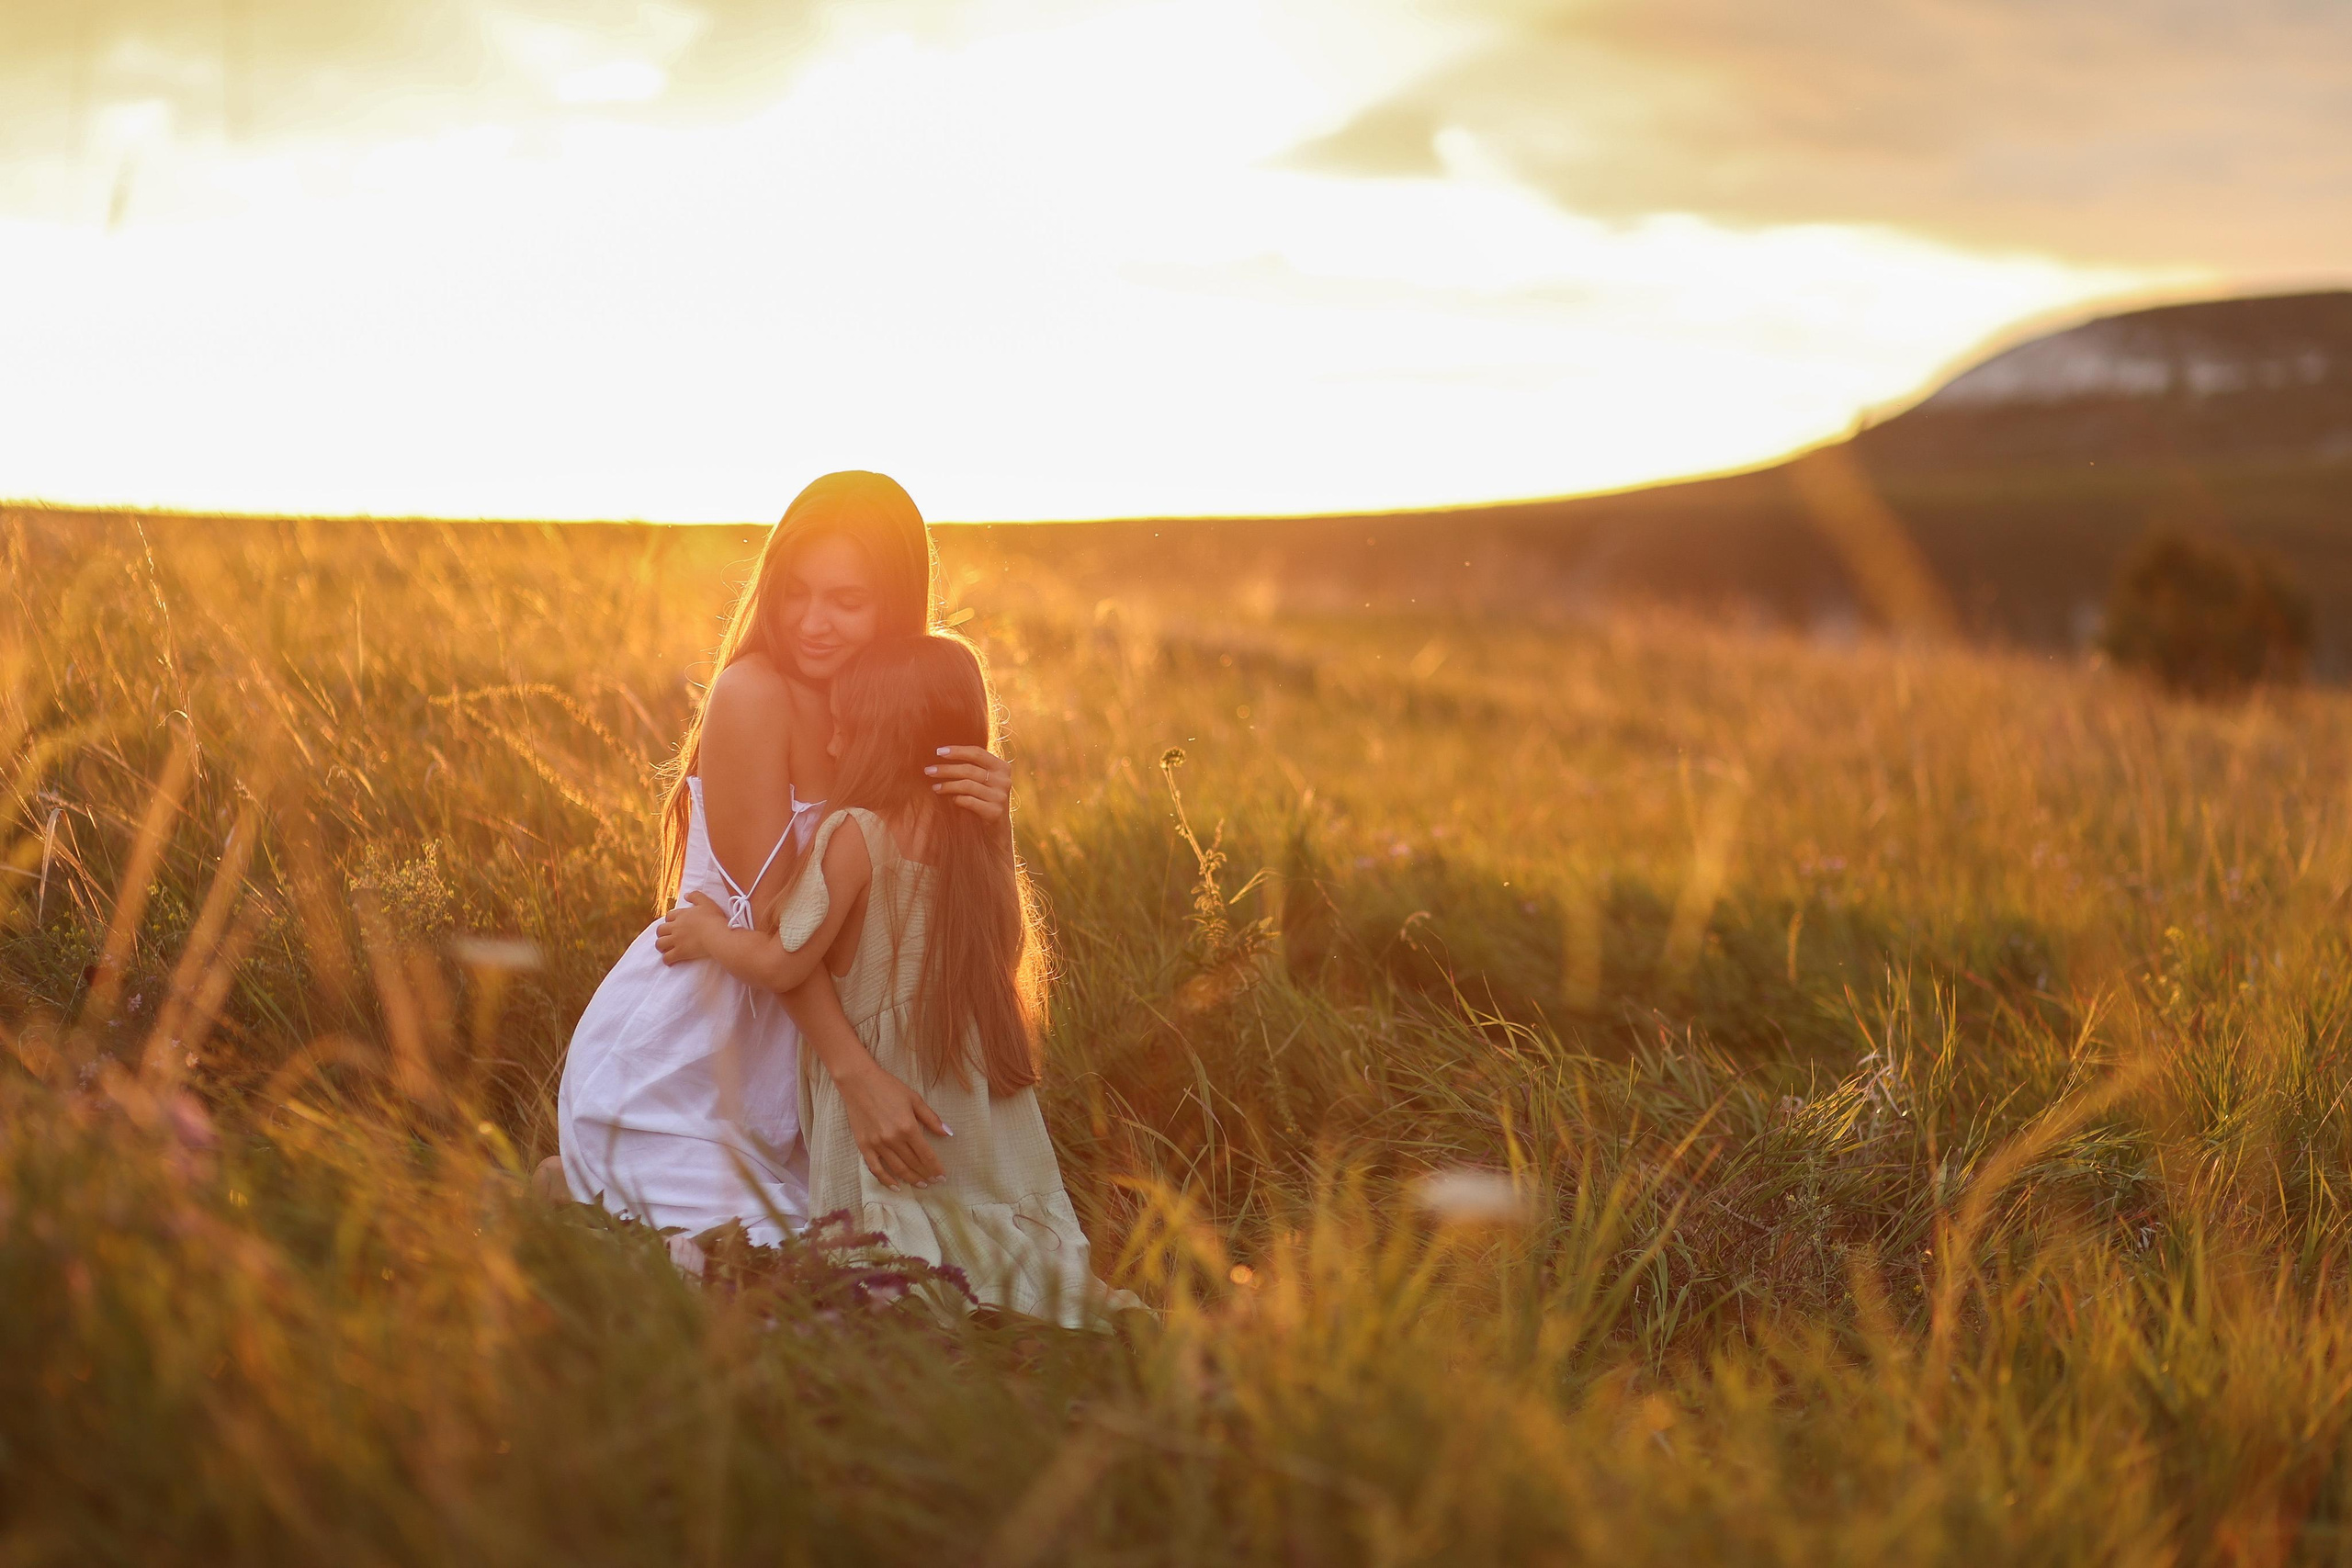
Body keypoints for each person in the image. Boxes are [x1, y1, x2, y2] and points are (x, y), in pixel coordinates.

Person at [553, 472, 1011, 1249]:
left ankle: (577, 1201)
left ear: (896, 600)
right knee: (794, 1269)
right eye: (795, 592)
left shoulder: (900, 711)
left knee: (930, 1259)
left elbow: (949, 908)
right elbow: (782, 932)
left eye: (846, 600)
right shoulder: (752, 695)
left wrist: (992, 823)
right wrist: (859, 1080)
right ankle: (560, 1197)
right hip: (707, 1061)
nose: (812, 622)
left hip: (823, 1060)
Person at [655, 634, 1136, 1327]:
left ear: (885, 735)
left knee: (889, 1257)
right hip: (965, 1089)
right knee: (984, 1240)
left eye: (846, 724)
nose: (831, 742)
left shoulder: (854, 834)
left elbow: (786, 962)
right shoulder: (969, 835)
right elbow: (1009, 948)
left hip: (887, 1078)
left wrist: (709, 935)